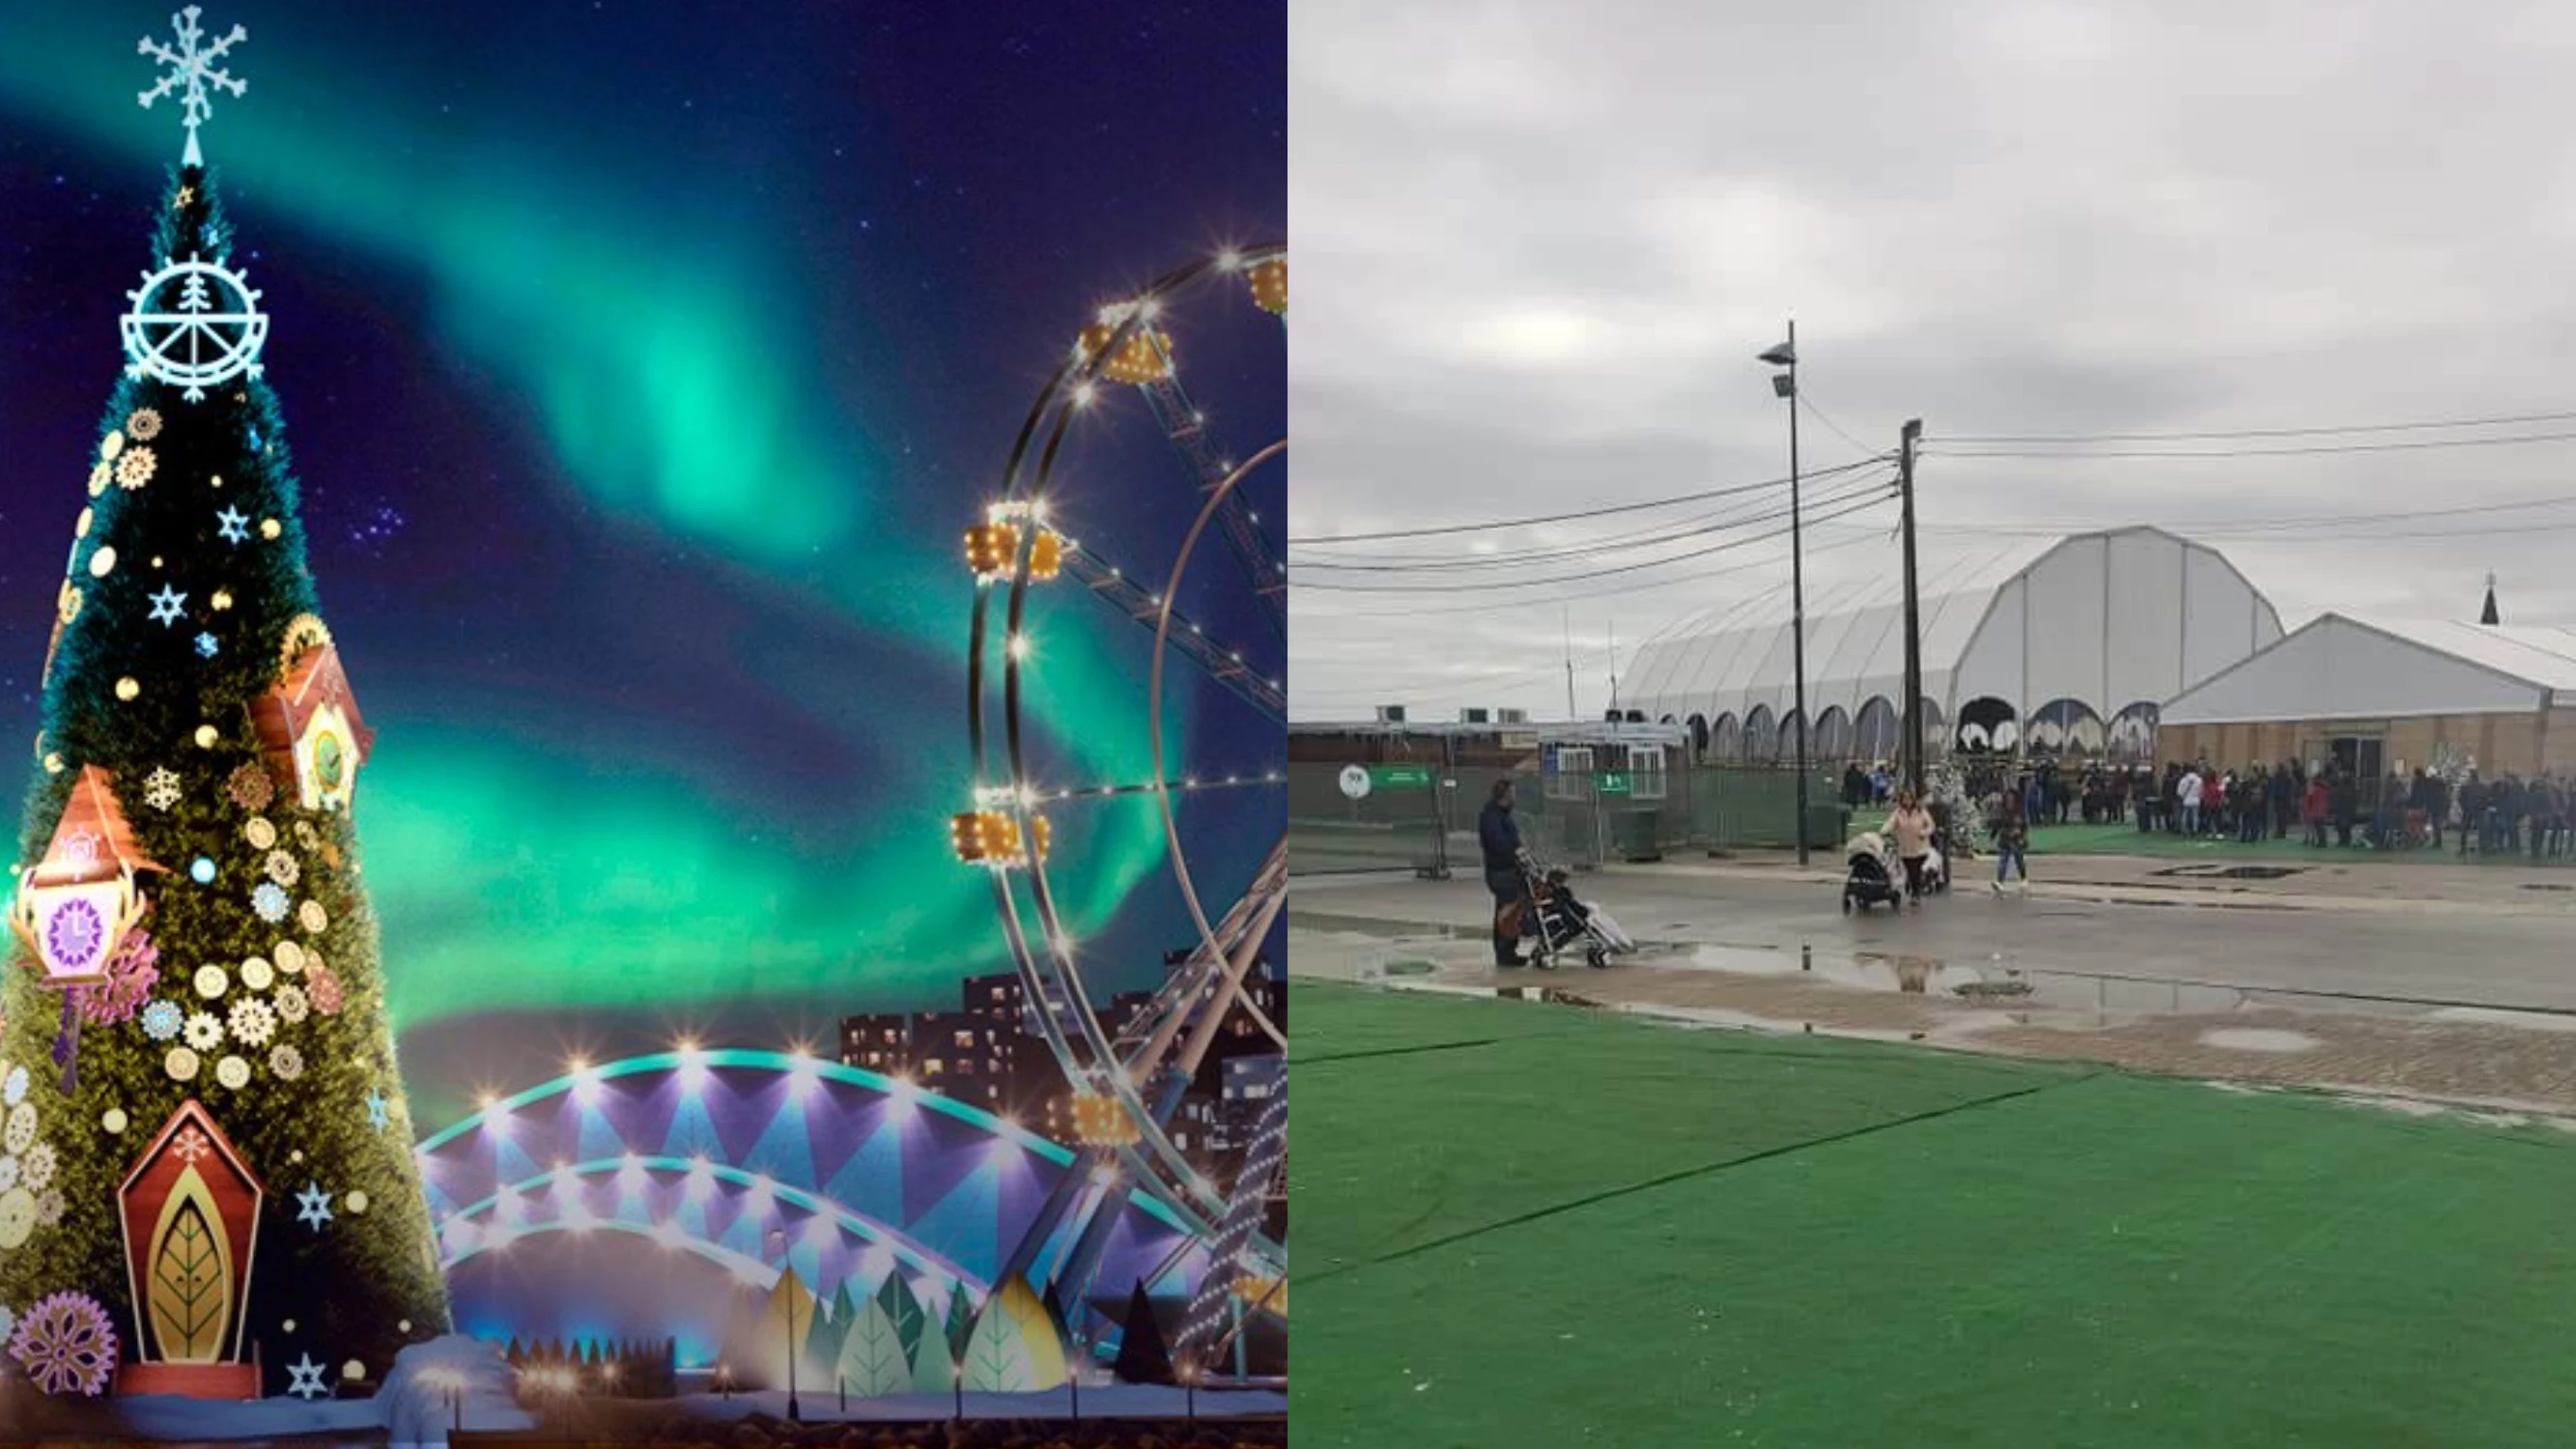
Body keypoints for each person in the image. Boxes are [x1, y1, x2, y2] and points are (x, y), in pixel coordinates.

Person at [1478, 778, 1534, 967]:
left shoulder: (1500, 815)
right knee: (1508, 910)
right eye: (1513, 793)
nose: (1515, 797)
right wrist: (1514, 852)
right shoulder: (1492, 816)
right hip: (1502, 871)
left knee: (1511, 908)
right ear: (1506, 795)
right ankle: (1505, 952)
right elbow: (1498, 842)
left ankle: (1508, 950)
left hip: (1508, 869)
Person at [1882, 788, 1938, 908]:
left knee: (1915, 871)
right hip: (1905, 847)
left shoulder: (1921, 811)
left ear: (1913, 800)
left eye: (1909, 798)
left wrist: (1924, 832)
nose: (1907, 801)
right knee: (1909, 870)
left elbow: (1931, 825)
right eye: (1904, 798)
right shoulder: (1898, 812)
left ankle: (1915, 894)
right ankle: (1913, 888)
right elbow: (1890, 823)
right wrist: (1884, 831)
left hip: (1919, 846)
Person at [1990, 781, 2029, 895]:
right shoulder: (2003, 811)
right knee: (2003, 860)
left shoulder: (2019, 812)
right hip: (2005, 838)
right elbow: (1997, 823)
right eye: (2007, 800)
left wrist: (2022, 836)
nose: (2009, 802)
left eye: (2011, 800)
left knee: (2019, 859)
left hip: (2016, 838)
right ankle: (2000, 882)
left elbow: (2024, 825)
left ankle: (2023, 879)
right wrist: (1993, 835)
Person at [2177, 766, 2204, 837]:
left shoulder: (2183, 780)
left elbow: (2179, 792)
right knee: (2195, 816)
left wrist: (2183, 796)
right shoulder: (2199, 780)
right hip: (2196, 800)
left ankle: (2184, 830)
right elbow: (2201, 791)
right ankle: (2195, 830)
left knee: (2185, 816)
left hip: (2186, 800)